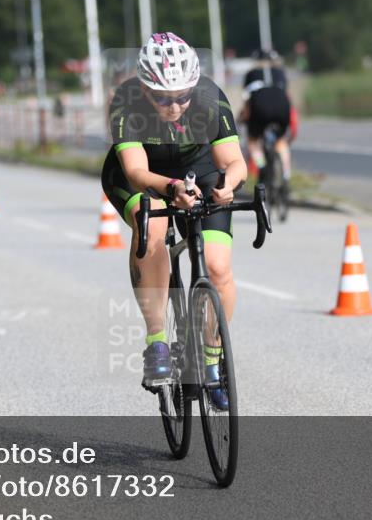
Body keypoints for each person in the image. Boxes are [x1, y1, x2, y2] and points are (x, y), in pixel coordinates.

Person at [101, 32, 247, 410]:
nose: (175, 105)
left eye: (183, 95)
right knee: (151, 230)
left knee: (218, 268)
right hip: (145, 173)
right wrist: (170, 188)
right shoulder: (126, 100)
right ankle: (157, 342)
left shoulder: (209, 97)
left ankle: (212, 360)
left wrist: (228, 185)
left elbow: (234, 161)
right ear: (146, 90)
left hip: (195, 167)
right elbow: (135, 171)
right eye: (164, 98)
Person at [240, 49, 297, 189]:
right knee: (281, 141)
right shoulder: (280, 72)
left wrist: (242, 118)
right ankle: (286, 175)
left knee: (253, 141)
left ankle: (261, 165)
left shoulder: (251, 74)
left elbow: (247, 101)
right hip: (282, 105)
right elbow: (287, 96)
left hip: (260, 105)